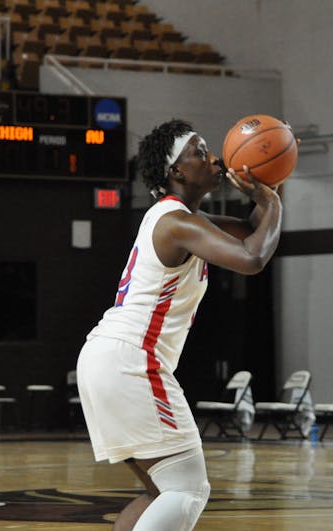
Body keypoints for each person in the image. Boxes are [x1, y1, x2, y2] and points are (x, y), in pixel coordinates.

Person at [76, 119, 283, 531]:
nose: (213, 158)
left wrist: (264, 189)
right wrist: (273, 202)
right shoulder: (176, 223)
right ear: (176, 171)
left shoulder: (185, 219)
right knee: (188, 489)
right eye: (199, 151)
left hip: (109, 358)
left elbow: (251, 233)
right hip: (131, 360)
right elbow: (252, 258)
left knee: (162, 490)